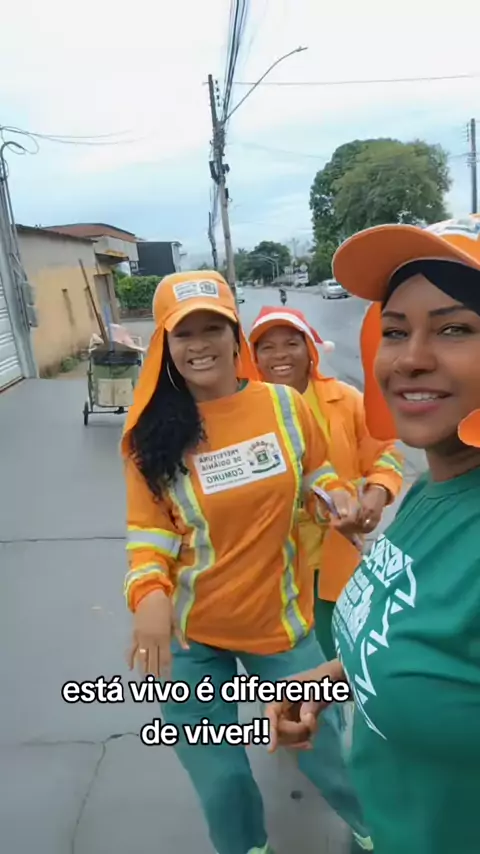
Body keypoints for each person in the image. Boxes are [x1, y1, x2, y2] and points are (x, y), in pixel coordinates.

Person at [121, 270, 373, 854]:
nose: (200, 344)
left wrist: (336, 500)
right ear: (165, 345)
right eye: (184, 334)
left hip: (277, 623)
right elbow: (149, 536)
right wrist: (149, 599)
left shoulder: (283, 406)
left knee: (326, 751)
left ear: (235, 337)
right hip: (190, 634)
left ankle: (380, 833)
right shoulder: (147, 437)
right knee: (221, 779)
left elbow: (317, 472)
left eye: (213, 328)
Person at [265, 216, 480, 854]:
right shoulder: (431, 491)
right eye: (395, 330)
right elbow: (417, 648)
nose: (411, 358)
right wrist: (328, 680)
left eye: (455, 328)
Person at [249, 306, 404, 660]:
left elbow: (385, 450)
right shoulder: (244, 411)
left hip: (337, 553)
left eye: (291, 343)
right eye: (267, 347)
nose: (280, 355)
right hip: (273, 565)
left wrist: (378, 491)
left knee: (342, 655)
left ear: (310, 351)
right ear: (254, 358)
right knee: (287, 666)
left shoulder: (345, 400)